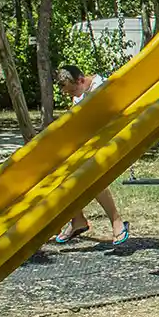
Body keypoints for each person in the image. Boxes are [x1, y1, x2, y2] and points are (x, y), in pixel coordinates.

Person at [52, 64, 131, 245]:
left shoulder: (102, 87)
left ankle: (116, 221)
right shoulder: (79, 96)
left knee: (91, 175)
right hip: (90, 143)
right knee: (62, 172)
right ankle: (77, 218)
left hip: (111, 138)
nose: (73, 96)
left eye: (73, 91)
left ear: (81, 80)